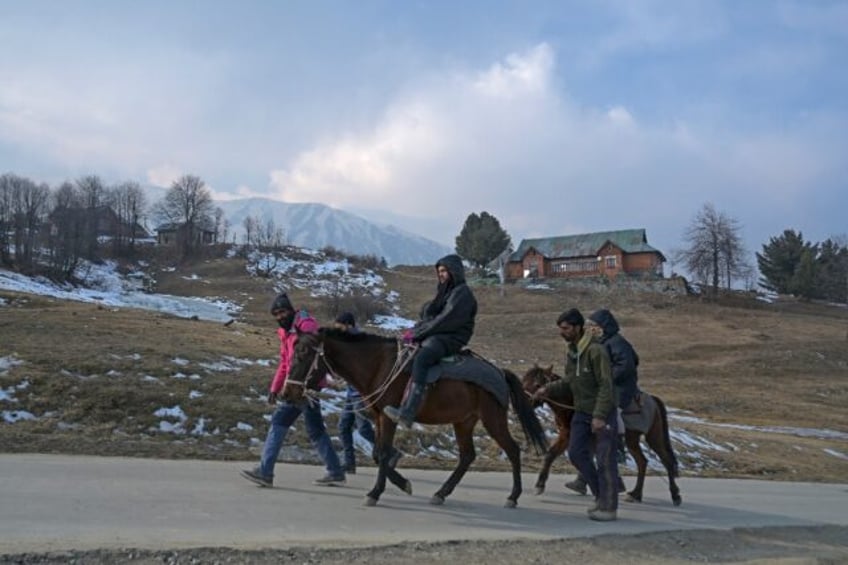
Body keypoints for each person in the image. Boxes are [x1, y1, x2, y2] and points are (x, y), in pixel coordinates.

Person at [240, 292, 346, 487]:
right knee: (315, 429)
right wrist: (275, 387)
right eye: (276, 314)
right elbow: (284, 363)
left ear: (291, 310)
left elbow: (312, 349)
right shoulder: (285, 332)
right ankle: (335, 470)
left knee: (279, 421)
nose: (280, 316)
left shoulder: (304, 325)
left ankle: (265, 471)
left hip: (303, 385)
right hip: (297, 384)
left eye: (283, 311)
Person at [534, 308, 619, 521]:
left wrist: (600, 415)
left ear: (578, 327)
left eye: (565, 328)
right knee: (576, 453)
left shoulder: (595, 351)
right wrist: (548, 389)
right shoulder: (573, 352)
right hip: (581, 411)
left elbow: (606, 386)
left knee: (604, 459)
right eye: (560, 329)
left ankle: (608, 508)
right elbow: (569, 381)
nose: (562, 332)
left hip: (601, 413)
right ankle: (602, 495)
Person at [383, 254, 477, 428]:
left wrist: (419, 334)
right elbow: (432, 318)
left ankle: (409, 412)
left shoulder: (462, 294)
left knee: (423, 358)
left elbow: (445, 320)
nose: (440, 274)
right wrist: (414, 331)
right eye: (439, 271)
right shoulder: (446, 292)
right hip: (441, 334)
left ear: (453, 271)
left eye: (443, 271)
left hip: (451, 337)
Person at [565, 308, 635, 496]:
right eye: (590, 326)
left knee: (612, 415)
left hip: (619, 389)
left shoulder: (618, 343)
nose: (591, 329)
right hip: (601, 388)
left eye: (594, 326)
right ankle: (583, 478)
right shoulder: (599, 344)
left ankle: (618, 448)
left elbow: (626, 365)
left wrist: (603, 376)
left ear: (604, 327)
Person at [332, 312, 402, 473]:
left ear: (349, 325)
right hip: (351, 392)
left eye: (339, 328)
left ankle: (390, 452)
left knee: (363, 429)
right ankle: (349, 463)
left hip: (361, 393)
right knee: (343, 426)